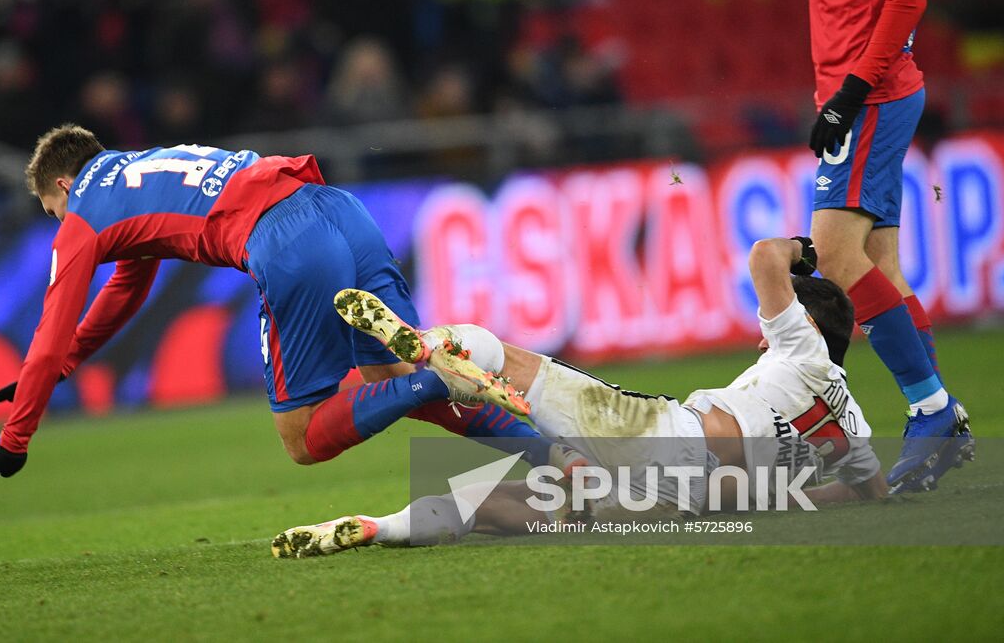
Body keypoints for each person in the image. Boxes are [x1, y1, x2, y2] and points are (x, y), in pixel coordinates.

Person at [0, 124, 548, 492]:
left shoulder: (85, 215)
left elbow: (45, 332)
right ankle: (561, 464)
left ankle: (434, 381)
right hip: (335, 207)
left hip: (287, 241)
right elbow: (126, 288)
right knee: (390, 376)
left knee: (303, 436)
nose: (58, 226)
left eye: (51, 212)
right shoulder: (139, 170)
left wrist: (15, 439)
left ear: (64, 186)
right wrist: (64, 366)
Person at [274, 237, 891, 557]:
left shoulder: (802, 351)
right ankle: (376, 529)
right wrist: (797, 495)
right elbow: (870, 493)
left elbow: (764, 258)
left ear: (809, 328)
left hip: (662, 438)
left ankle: (425, 349)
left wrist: (800, 251)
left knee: (497, 353)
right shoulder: (854, 429)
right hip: (682, 504)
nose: (764, 339)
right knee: (491, 505)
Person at [723, 0, 971, 492]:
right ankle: (943, 423)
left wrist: (852, 97)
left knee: (832, 257)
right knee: (881, 269)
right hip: (862, 96)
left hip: (872, 97)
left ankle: (931, 407)